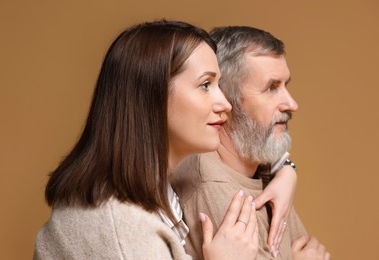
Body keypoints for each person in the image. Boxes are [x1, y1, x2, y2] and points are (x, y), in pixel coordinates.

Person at [33, 20, 260, 260]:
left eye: (218, 84)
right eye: (205, 85)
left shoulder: (155, 191)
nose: (225, 104)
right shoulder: (127, 232)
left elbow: (262, 146)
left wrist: (286, 170)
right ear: (153, 96)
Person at [171, 26, 331, 259]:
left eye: (286, 85)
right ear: (226, 100)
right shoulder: (214, 188)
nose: (291, 104)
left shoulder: (262, 169)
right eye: (271, 88)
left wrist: (287, 170)